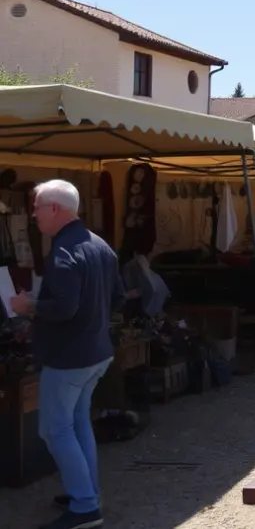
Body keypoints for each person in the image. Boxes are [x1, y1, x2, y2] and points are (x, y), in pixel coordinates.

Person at [10, 180, 124, 528]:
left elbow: (63, 308)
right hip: (96, 353)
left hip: (69, 359)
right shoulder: (100, 245)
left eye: (37, 208)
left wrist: (28, 306)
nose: (34, 215)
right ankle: (86, 492)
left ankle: (86, 506)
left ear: (55, 209)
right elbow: (118, 298)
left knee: (55, 430)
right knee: (77, 423)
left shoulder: (63, 252)